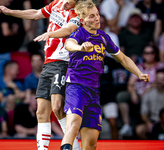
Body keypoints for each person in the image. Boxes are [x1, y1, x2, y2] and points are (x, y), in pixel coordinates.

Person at [60, 1, 149, 150]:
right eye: (92, 16)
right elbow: (69, 44)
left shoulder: (104, 37)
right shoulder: (79, 34)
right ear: (82, 21)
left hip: (94, 92)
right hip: (76, 87)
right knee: (74, 123)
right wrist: (80, 47)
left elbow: (123, 59)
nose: (97, 19)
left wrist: (138, 73)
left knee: (91, 143)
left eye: (97, 14)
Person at [0, 1, 82, 149]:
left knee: (57, 107)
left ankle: (75, 147)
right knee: (41, 111)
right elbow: (35, 13)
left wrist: (50, 34)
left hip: (63, 62)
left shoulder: (78, 11)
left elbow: (69, 29)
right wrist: (9, 11)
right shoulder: (56, 3)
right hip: (48, 63)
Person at [117, 44, 164, 137]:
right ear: (143, 55)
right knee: (122, 96)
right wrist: (134, 94)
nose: (149, 55)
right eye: (146, 53)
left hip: (152, 93)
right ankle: (127, 125)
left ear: (156, 54)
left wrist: (147, 91)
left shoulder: (160, 66)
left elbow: (160, 81)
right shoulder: (138, 66)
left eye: (151, 53)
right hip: (138, 93)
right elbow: (131, 83)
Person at [135, 69, 164, 139]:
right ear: (155, 79)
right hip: (154, 122)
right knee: (139, 130)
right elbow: (143, 113)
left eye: (162, 79)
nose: (160, 81)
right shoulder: (148, 93)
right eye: (158, 79)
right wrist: (148, 122)